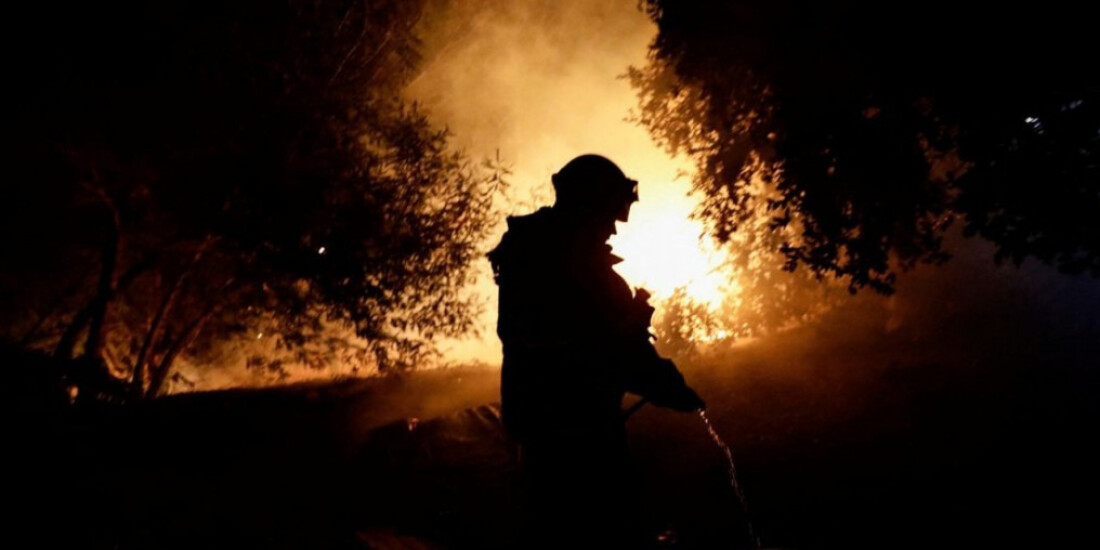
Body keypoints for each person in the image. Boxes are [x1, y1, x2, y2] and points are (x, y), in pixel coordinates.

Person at [488, 154, 705, 548]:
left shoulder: (531, 258)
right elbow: (614, 353)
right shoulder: (579, 272)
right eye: (609, 215)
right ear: (588, 207)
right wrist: (670, 387)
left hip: (539, 429)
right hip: (581, 433)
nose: (614, 228)